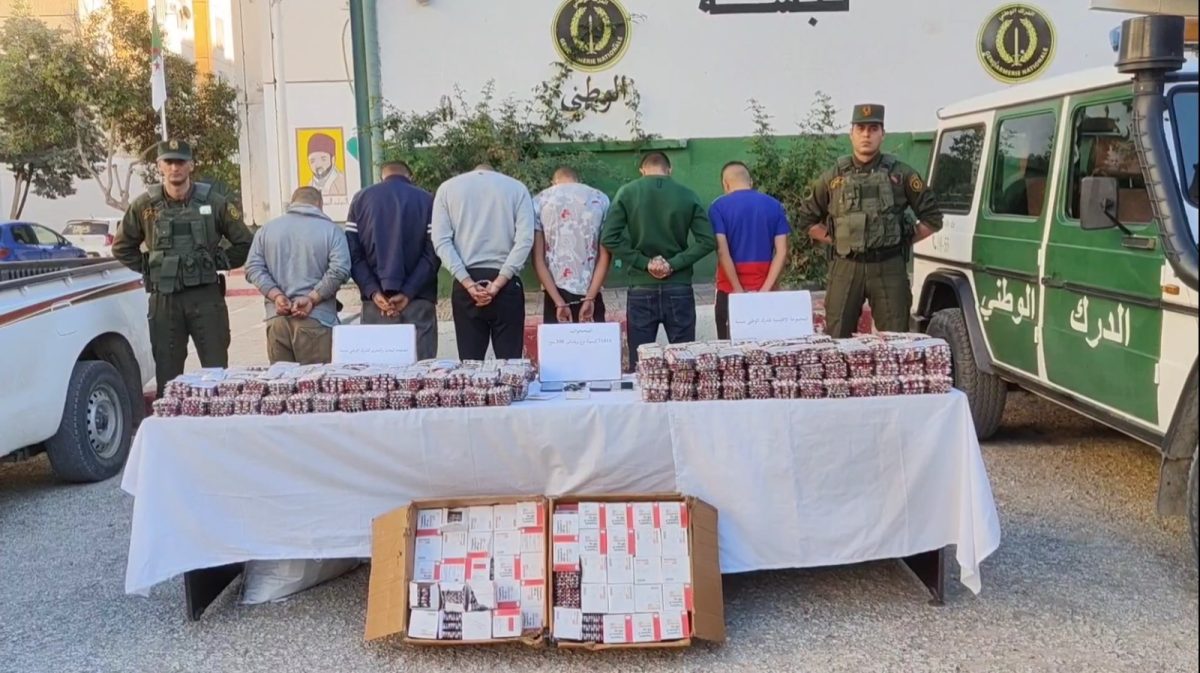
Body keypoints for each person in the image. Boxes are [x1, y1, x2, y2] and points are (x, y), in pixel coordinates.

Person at [111, 139, 254, 394]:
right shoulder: (144, 206)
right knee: (168, 376)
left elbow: (245, 242)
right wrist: (152, 267)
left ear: (191, 165)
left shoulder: (215, 203)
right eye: (169, 162)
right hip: (165, 299)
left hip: (206, 297)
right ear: (159, 166)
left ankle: (216, 415)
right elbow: (121, 247)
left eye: (180, 162)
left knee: (216, 372)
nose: (174, 167)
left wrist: (215, 262)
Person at [797, 104, 943, 337]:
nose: (866, 135)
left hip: (889, 266)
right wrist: (839, 240)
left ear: (882, 134)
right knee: (837, 338)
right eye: (861, 128)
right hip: (846, 267)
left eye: (873, 129)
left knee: (895, 340)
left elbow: (932, 218)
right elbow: (807, 220)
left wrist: (903, 239)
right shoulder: (833, 177)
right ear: (851, 133)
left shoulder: (901, 174)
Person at [601, 152, 715, 368]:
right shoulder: (687, 195)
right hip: (679, 286)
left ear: (642, 170)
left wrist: (645, 263)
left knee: (642, 363)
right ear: (669, 170)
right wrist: (673, 263)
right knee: (684, 364)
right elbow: (707, 241)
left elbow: (609, 238)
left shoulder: (627, 192)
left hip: (641, 286)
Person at [431, 164, 536, 360]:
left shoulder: (447, 189)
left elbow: (441, 241)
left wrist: (467, 283)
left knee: (470, 363)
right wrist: (498, 283)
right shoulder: (517, 189)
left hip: (466, 282)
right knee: (510, 363)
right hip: (506, 283)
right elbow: (525, 240)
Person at [244, 187, 351, 365]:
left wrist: (277, 296)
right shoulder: (332, 231)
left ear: (292, 203)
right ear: (319, 204)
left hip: (277, 321)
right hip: (317, 321)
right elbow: (340, 270)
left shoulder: (266, 230)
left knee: (283, 381)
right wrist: (312, 299)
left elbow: (253, 267)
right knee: (316, 381)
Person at [346, 160, 440, 360]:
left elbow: (353, 254)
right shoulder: (427, 200)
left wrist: (373, 291)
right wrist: (408, 292)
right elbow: (433, 253)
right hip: (418, 301)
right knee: (422, 373)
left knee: (378, 372)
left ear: (381, 177)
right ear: (410, 177)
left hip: (376, 305)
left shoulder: (361, 199)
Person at [709, 161, 790, 340]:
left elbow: (722, 252)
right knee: (767, 348)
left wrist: (738, 291)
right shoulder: (774, 205)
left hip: (729, 290)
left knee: (729, 350)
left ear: (725, 184)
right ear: (751, 182)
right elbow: (782, 251)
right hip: (766, 289)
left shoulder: (717, 207)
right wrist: (765, 290)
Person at [531, 166, 612, 324]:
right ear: (578, 181)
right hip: (591, 291)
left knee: (558, 340)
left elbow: (538, 260)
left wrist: (558, 302)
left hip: (555, 294)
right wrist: (590, 298)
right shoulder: (600, 199)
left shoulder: (540, 201)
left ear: (553, 182)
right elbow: (605, 256)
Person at [307, 133, 347, 197]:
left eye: (323, 159)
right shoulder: (309, 186)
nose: (318, 165)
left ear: (333, 160)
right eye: (312, 161)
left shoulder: (344, 182)